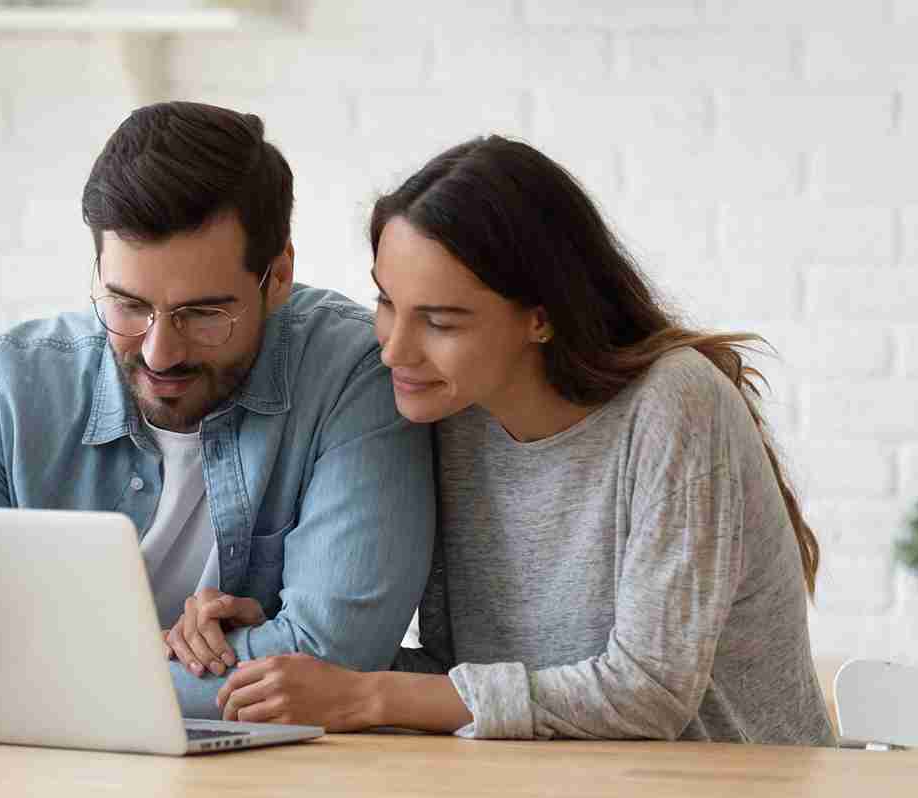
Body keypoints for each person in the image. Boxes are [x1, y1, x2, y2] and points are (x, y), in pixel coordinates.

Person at [215, 136, 835, 745]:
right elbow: (477, 688)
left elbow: (647, 694)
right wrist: (282, 653)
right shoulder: (452, 413)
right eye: (386, 301)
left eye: (440, 320)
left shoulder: (674, 404)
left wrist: (366, 695)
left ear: (541, 316)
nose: (394, 348)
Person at [0, 102, 435, 721]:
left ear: (277, 277)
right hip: (34, 785)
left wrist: (11, 670)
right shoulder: (14, 385)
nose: (159, 352)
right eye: (127, 304)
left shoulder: (352, 375)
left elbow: (335, 659)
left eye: (202, 314)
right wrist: (152, 658)